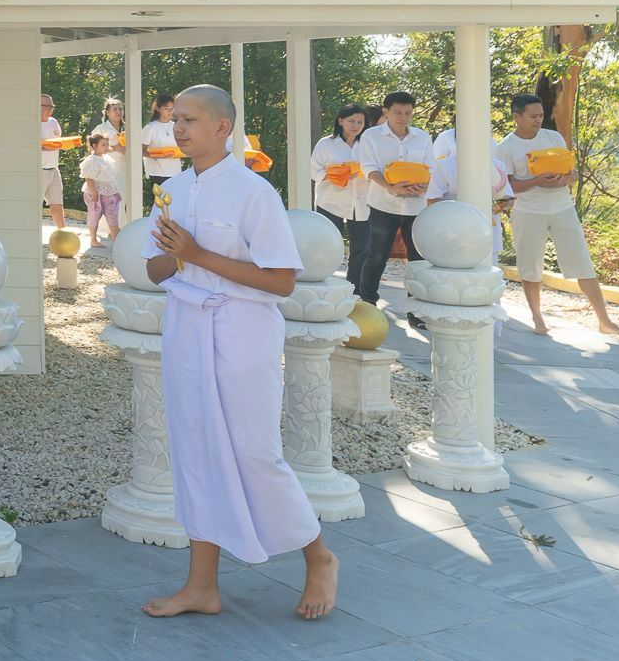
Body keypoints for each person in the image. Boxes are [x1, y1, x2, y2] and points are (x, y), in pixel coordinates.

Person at [139, 86, 338, 622]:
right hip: (187, 327)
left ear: (223, 128)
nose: (177, 128)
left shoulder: (255, 193)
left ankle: (318, 556)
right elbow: (155, 269)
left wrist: (198, 253)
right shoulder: (173, 189)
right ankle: (202, 585)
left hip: (244, 331)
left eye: (190, 119)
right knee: (196, 448)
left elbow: (281, 282)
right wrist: (173, 259)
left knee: (254, 451)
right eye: (174, 118)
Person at [494, 93, 619, 337]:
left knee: (582, 262)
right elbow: (507, 186)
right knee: (530, 266)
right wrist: (537, 181)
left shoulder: (553, 137)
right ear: (517, 117)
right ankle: (537, 318)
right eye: (533, 116)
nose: (538, 120)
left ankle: (604, 321)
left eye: (541, 115)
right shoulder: (505, 148)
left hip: (562, 207)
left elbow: (574, 173)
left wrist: (564, 178)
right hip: (528, 212)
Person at [353, 90, 433, 313]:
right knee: (377, 256)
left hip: (415, 206)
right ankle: (367, 305)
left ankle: (416, 310)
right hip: (383, 205)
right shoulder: (371, 136)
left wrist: (423, 185)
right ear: (386, 112)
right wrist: (390, 186)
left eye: (408, 113)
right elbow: (368, 168)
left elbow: (430, 168)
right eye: (398, 112)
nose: (403, 117)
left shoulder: (423, 137)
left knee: (417, 259)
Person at [311, 105, 370, 289]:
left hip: (362, 203)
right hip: (330, 201)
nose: (356, 125)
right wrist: (338, 174)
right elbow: (314, 170)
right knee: (328, 245)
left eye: (360, 122)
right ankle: (324, 284)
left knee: (362, 249)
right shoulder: (326, 144)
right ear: (341, 121)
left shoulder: (369, 144)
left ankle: (355, 290)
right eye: (352, 121)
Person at [80, 133, 124, 246]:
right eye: (103, 145)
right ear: (94, 146)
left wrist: (116, 191)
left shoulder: (107, 158)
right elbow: (89, 178)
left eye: (107, 144)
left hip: (109, 191)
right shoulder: (90, 160)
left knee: (112, 215)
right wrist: (94, 192)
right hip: (96, 191)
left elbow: (110, 177)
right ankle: (93, 239)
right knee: (94, 215)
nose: (106, 147)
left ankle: (117, 241)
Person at [141, 93, 183, 203]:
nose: (170, 111)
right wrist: (155, 155)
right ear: (158, 108)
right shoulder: (151, 127)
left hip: (175, 172)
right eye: (166, 108)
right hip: (158, 173)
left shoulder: (175, 125)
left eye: (172, 109)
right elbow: (139, 150)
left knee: (175, 204)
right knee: (160, 206)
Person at [38, 94, 68, 231]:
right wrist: (50, 146)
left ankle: (63, 233)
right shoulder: (31, 124)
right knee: (35, 204)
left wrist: (68, 144)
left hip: (54, 169)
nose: (51, 109)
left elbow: (58, 142)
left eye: (52, 106)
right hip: (39, 170)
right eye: (47, 106)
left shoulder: (53, 122)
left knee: (57, 203)